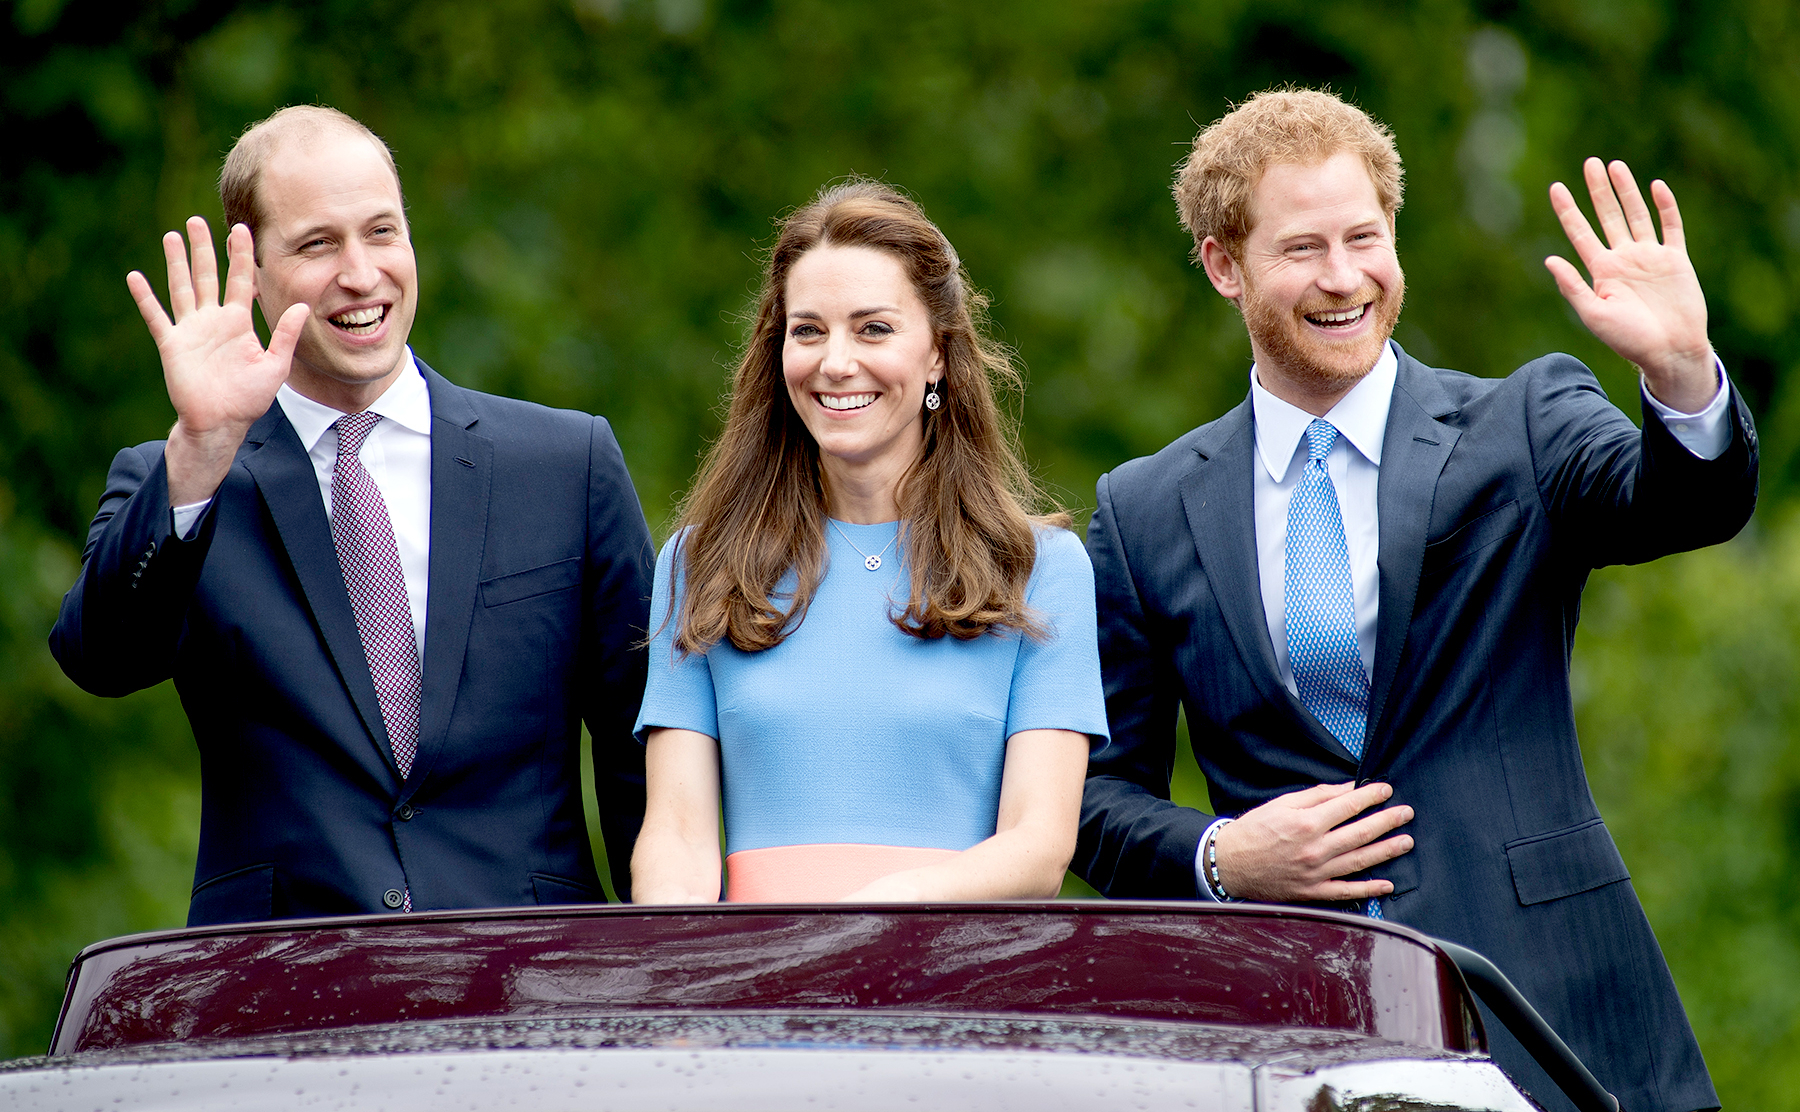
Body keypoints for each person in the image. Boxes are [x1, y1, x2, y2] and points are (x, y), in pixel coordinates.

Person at [1074, 89, 1754, 1112]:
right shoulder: (1145, 507)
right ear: (1224, 265)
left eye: (1364, 236)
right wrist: (1221, 854)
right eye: (1302, 248)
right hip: (1290, 1034)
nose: (1344, 277)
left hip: (1555, 1015)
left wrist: (1679, 372)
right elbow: (1089, 800)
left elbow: (1680, 504)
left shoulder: (1524, 421)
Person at [50, 105, 654, 925]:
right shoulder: (179, 476)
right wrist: (202, 445)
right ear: (251, 270)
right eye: (317, 244)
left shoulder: (566, 465)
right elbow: (101, 657)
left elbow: (642, 767)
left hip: (529, 988)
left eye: (380, 232)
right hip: (279, 995)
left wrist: (674, 981)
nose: (361, 273)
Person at [629, 181, 1106, 904]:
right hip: (752, 994)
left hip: (952, 991)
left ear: (938, 355)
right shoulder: (700, 564)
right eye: (809, 330)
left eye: (873, 329)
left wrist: (868, 924)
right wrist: (688, 971)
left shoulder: (1041, 570)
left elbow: (1038, 848)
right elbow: (677, 835)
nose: (836, 362)